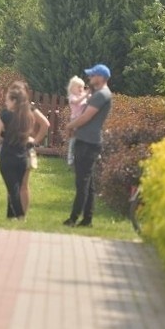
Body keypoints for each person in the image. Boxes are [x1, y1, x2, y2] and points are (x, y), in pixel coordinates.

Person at [64, 64, 113, 228]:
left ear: (100, 77)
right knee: (89, 183)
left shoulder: (102, 95)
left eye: (92, 76)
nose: (90, 78)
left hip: (87, 143)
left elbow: (86, 117)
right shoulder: (98, 93)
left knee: (82, 182)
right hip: (87, 140)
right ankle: (87, 219)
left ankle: (74, 218)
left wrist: (70, 126)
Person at [0, 81, 50, 220]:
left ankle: (18, 215)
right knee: (22, 185)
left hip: (13, 151)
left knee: (16, 185)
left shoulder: (17, 111)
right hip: (24, 151)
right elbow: (45, 124)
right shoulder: (29, 109)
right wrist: (35, 140)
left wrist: (35, 140)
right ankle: (18, 215)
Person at [66, 76, 89, 167]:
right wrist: (86, 95)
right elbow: (77, 102)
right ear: (72, 89)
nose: (81, 89)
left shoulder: (82, 96)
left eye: (82, 87)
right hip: (75, 121)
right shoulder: (72, 97)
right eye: (78, 87)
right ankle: (70, 159)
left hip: (83, 121)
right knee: (74, 140)